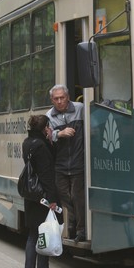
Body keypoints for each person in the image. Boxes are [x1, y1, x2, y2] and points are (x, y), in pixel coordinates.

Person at [20, 115, 63, 268]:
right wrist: (52, 199)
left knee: (33, 236)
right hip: (43, 197)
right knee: (45, 234)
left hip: (31, 195)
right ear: (45, 128)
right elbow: (46, 174)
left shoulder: (27, 142)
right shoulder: (41, 146)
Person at [46, 84, 86, 242]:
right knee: (64, 197)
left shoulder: (80, 108)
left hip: (78, 163)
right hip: (60, 165)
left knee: (77, 197)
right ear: (52, 100)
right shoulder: (49, 116)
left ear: (68, 97)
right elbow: (47, 136)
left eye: (62, 98)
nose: (59, 101)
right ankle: (72, 224)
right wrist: (59, 134)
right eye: (56, 99)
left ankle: (81, 230)